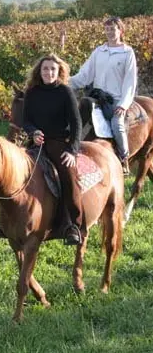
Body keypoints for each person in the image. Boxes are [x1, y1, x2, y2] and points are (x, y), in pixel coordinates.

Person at [23, 54, 83, 245]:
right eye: (45, 69)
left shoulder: (65, 92)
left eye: (52, 69)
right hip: (36, 143)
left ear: (59, 72)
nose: (49, 72)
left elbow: (76, 123)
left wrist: (72, 151)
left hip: (58, 143)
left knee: (68, 176)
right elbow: (26, 120)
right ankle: (8, 221)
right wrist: (33, 132)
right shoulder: (32, 92)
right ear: (39, 72)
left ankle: (73, 224)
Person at [70, 17, 137, 175]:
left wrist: (123, 104)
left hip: (115, 99)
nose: (109, 32)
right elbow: (85, 75)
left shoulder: (127, 53)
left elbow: (130, 81)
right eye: (107, 29)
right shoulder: (99, 51)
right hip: (97, 97)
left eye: (113, 29)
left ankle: (123, 158)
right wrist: (64, 81)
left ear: (120, 31)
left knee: (116, 124)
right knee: (78, 116)